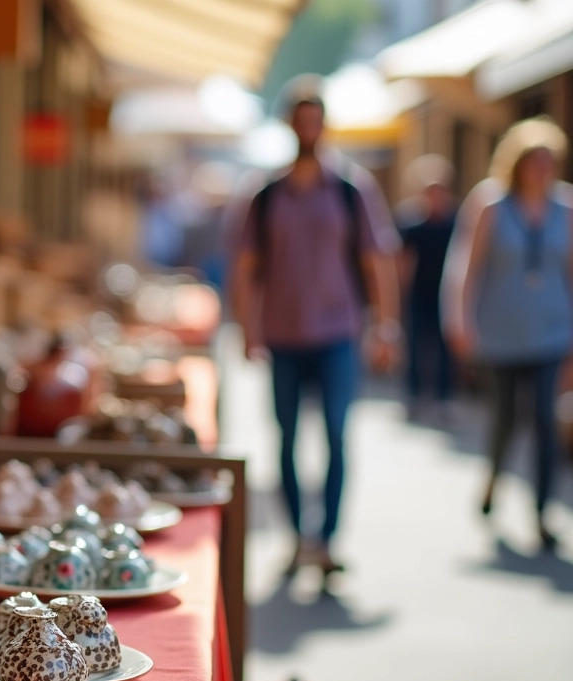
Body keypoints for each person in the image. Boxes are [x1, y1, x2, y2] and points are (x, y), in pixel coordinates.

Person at [230, 77, 401, 578]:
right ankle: (296, 537)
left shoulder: (352, 190)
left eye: (315, 119)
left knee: (336, 437)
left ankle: (325, 540)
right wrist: (247, 327)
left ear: (324, 125)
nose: (308, 127)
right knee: (283, 439)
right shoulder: (265, 194)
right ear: (290, 124)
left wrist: (387, 326)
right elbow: (244, 266)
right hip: (283, 334)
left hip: (337, 334)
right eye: (300, 119)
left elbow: (377, 261)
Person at [450, 117, 573, 550]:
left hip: (552, 331)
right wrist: (461, 319)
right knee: (505, 418)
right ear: (517, 163)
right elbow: (467, 266)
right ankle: (495, 479)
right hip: (500, 332)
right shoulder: (490, 204)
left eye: (548, 161)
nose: (541, 170)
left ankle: (542, 513)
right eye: (534, 161)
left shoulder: (566, 209)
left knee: (544, 417)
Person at [397, 155, 457, 418]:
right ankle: (414, 395)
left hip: (445, 295)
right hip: (419, 294)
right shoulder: (412, 223)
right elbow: (403, 261)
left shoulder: (455, 222)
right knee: (415, 347)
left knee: (445, 350)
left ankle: (444, 398)